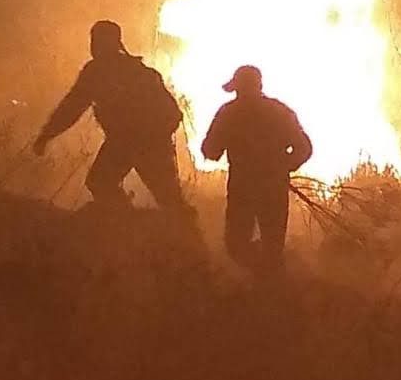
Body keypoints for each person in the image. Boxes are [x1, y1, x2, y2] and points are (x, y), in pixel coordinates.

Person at [33, 20, 186, 209]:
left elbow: (71, 108)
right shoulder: (136, 71)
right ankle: (125, 226)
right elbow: (174, 114)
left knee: (103, 183)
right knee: (166, 198)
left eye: (97, 41)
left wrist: (46, 135)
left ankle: (127, 226)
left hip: (136, 142)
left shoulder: (98, 72)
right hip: (139, 143)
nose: (94, 46)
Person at [200, 65, 313, 272]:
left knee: (236, 244)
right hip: (274, 189)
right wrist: (283, 167)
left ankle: (259, 282)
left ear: (238, 88)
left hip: (242, 189)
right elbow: (304, 148)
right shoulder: (280, 110)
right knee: (273, 247)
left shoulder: (229, 112)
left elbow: (210, 151)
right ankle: (271, 287)